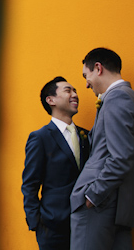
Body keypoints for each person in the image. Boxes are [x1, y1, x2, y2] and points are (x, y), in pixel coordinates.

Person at [70, 48, 134, 250]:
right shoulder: (133, 100)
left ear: (98, 68)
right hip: (119, 207)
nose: (86, 84)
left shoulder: (116, 99)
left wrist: (91, 196)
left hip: (101, 206)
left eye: (85, 76)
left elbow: (121, 158)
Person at [22, 76, 90, 250]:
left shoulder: (87, 136)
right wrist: (36, 222)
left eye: (75, 90)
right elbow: (30, 183)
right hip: (53, 227)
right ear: (50, 100)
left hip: (87, 223)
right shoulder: (40, 137)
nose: (75, 94)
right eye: (68, 90)